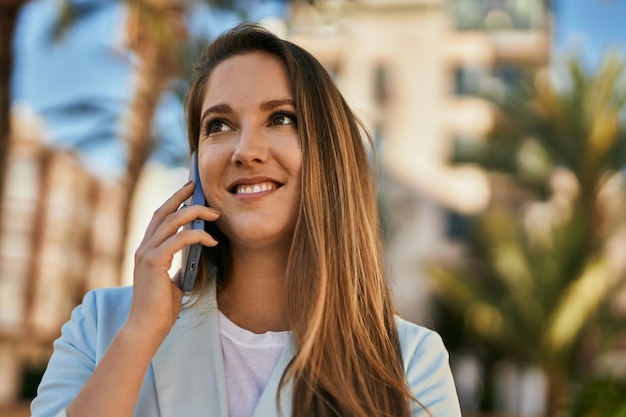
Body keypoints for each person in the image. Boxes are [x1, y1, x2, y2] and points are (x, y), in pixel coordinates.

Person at [30, 23, 462, 417]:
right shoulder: (103, 324)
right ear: (197, 164)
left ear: (329, 156)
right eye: (218, 125)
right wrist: (140, 334)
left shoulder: (411, 363)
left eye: (280, 118)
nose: (245, 150)